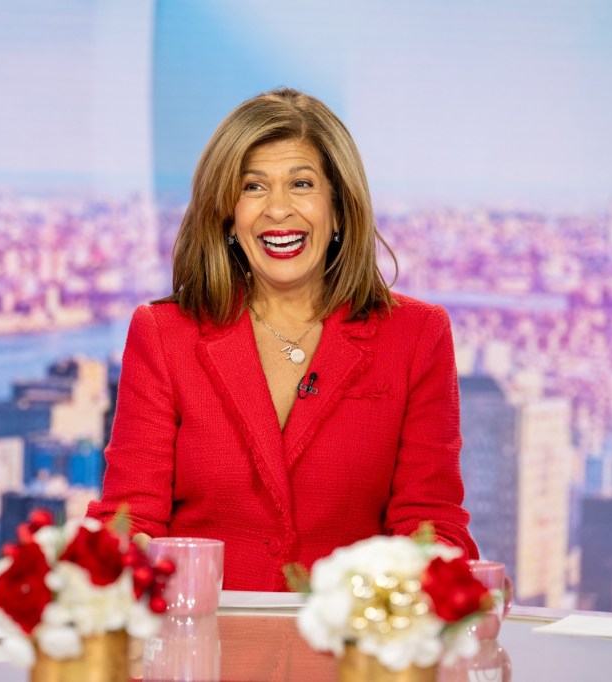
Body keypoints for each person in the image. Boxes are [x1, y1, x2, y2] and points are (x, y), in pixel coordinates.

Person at [88, 87, 477, 591]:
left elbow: (430, 524)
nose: (277, 209)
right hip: (202, 630)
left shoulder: (416, 335)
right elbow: (131, 517)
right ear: (227, 215)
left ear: (339, 208)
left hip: (351, 633)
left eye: (301, 183)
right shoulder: (164, 334)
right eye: (253, 187)